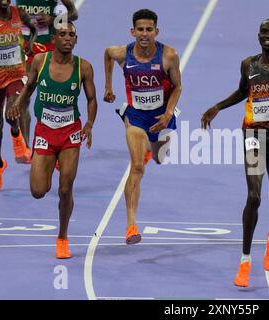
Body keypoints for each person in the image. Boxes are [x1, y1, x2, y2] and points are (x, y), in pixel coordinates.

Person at [201, 19, 269, 287]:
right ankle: (245, 260)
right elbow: (242, 91)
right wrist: (218, 106)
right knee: (253, 196)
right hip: (254, 134)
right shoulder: (247, 64)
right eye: (264, 32)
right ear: (258, 36)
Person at [7, 21, 98, 259]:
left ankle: (62, 237)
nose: (68, 38)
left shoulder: (84, 67)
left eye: (72, 35)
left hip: (70, 133)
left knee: (65, 189)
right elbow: (29, 86)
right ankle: (51, 163)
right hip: (45, 132)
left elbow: (91, 99)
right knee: (38, 190)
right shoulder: (40, 61)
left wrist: (89, 124)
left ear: (76, 40)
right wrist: (18, 102)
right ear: (54, 40)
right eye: (62, 34)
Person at [103, 9, 182, 245]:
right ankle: (131, 225)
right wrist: (108, 86)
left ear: (156, 31)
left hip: (161, 118)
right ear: (133, 31)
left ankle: (149, 149)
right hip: (135, 116)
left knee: (159, 157)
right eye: (140, 29)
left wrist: (168, 113)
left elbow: (177, 87)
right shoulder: (122, 54)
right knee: (137, 166)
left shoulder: (169, 55)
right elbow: (107, 53)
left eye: (149, 30)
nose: (145, 34)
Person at [16, 0, 78, 150]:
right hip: (24, 49)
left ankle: (57, 144)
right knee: (24, 99)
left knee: (52, 99)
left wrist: (53, 19)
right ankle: (26, 148)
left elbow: (73, 13)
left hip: (48, 49)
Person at [0, 0, 36, 191]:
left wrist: (29, 43)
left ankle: (16, 134)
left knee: (11, 113)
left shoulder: (19, 13)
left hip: (15, 74)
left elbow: (33, 29)